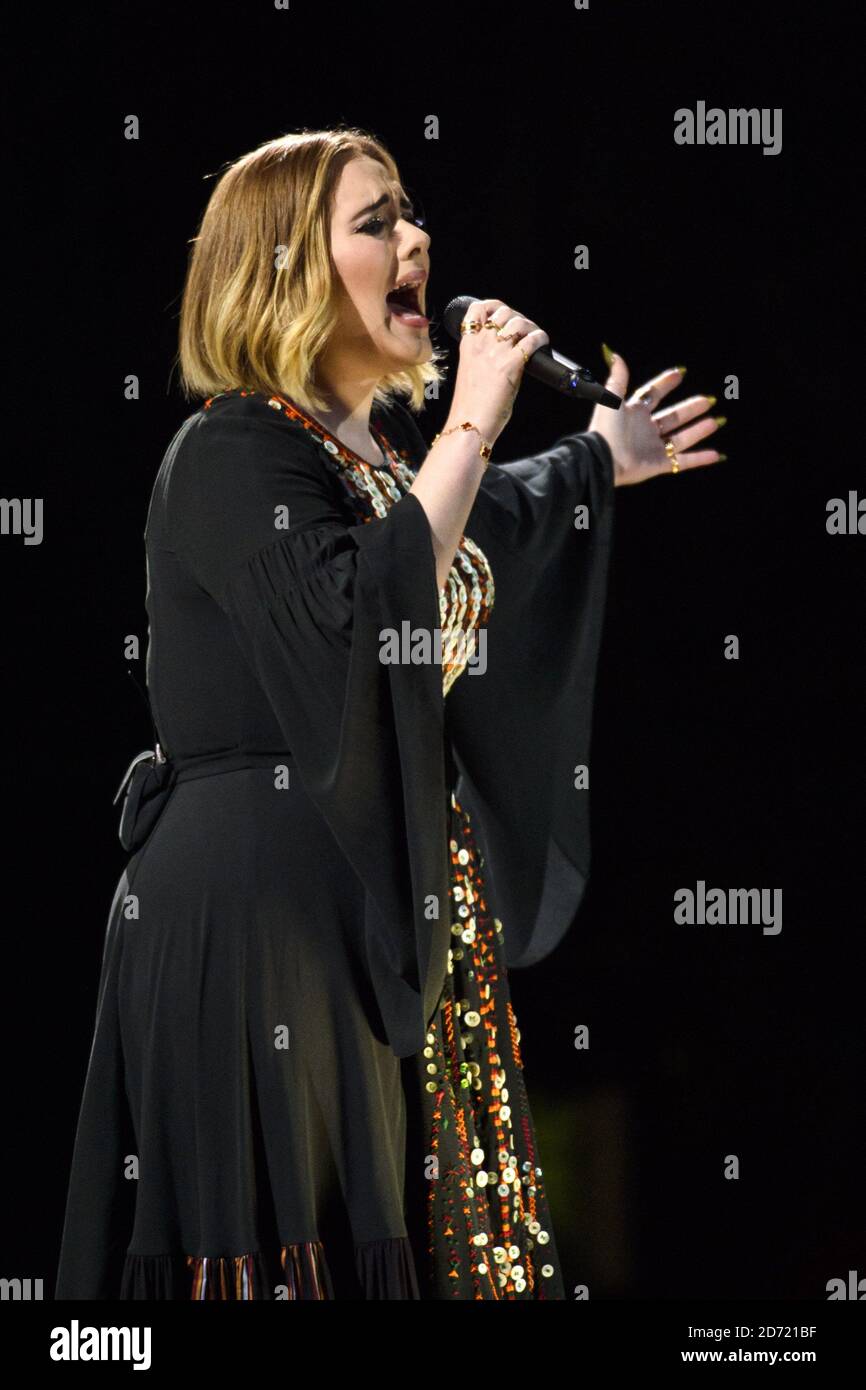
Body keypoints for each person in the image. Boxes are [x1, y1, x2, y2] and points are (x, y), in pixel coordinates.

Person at [54, 126, 724, 1301]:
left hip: (366, 901)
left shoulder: (368, 457)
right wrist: (473, 417)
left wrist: (592, 458)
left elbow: (463, 524)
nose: (417, 238)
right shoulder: (232, 452)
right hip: (259, 919)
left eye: (408, 214)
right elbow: (369, 604)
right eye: (375, 223)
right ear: (281, 273)